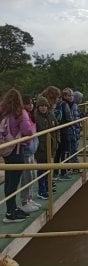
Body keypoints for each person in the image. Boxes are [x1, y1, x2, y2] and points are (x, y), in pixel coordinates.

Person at [1, 88, 35, 223]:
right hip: (16, 149)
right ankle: (10, 212)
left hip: (5, 150)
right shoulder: (19, 112)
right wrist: (32, 128)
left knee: (9, 178)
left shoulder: (2, 111)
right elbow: (28, 131)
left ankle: (12, 207)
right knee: (14, 180)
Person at [19, 95, 41, 213]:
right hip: (26, 150)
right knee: (26, 176)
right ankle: (24, 202)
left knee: (32, 175)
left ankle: (29, 198)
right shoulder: (23, 115)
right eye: (28, 103)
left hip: (31, 149)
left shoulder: (31, 115)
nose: (30, 105)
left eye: (32, 103)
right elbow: (26, 131)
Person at [34, 96, 58, 200]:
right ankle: (41, 190)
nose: (43, 108)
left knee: (48, 167)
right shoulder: (35, 117)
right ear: (38, 107)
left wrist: (58, 139)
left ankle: (48, 186)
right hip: (40, 147)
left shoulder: (50, 115)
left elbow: (56, 127)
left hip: (50, 145)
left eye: (45, 106)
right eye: (41, 106)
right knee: (42, 168)